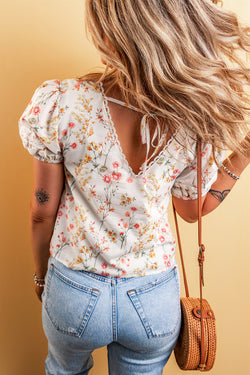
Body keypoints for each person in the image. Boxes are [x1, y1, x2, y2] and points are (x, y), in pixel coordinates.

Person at [18, 1, 250, 374]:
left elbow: (41, 210)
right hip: (152, 297)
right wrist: (243, 154)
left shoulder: (62, 102)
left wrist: (40, 275)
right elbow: (191, 211)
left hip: (74, 290)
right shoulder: (191, 117)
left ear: (112, 31)